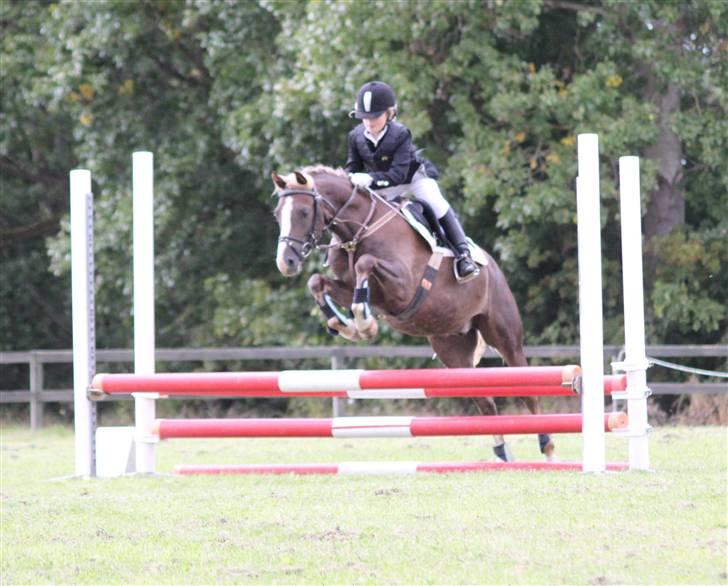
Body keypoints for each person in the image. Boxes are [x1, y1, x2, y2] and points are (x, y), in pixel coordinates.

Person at [345, 80, 478, 281]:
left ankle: (463, 255)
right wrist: (352, 179)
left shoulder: (400, 134)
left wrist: (369, 179)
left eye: (375, 117)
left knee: (436, 203)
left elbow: (398, 175)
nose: (369, 123)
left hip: (411, 177)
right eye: (364, 118)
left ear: (390, 114)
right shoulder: (355, 136)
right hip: (381, 183)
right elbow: (352, 167)